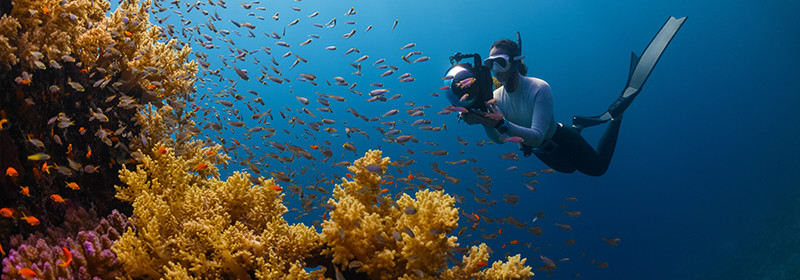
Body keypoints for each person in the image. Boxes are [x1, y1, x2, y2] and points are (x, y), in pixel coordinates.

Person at [461, 16, 686, 176]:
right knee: (569, 170)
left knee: (597, 169)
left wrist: (501, 124)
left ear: (516, 62)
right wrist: (485, 123)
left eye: (501, 63)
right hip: (539, 152)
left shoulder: (539, 88)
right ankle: (579, 125)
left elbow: (537, 135)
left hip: (558, 137)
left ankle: (616, 118)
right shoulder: (496, 98)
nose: (496, 70)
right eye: (491, 64)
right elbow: (499, 140)